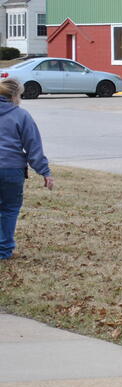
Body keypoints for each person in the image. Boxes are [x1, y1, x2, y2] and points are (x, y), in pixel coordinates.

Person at [0, 78, 54, 260]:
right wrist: (44, 172)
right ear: (15, 96)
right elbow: (33, 147)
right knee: (9, 209)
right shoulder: (21, 115)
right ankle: (4, 250)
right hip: (11, 169)